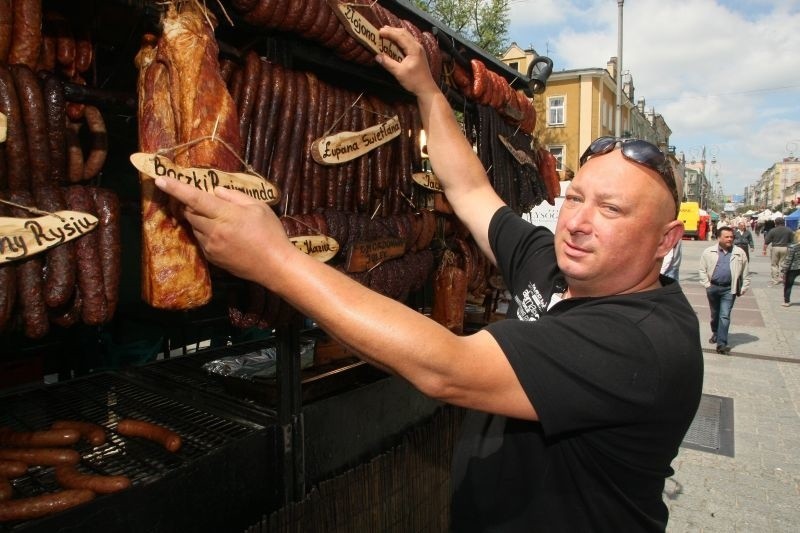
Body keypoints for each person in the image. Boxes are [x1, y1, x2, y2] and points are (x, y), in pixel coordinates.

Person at [155, 27, 703, 531]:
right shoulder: (554, 262)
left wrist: (274, 260)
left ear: (665, 241)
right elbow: (469, 191)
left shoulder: (642, 343)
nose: (578, 222)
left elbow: (447, 369)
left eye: (611, 210)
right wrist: (428, 90)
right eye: (575, 198)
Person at [699, 226, 751, 354]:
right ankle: (716, 333)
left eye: (731, 237)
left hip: (729, 289)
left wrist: (744, 287)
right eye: (726, 237)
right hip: (713, 287)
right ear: (719, 238)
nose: (730, 239)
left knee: (725, 315)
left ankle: (722, 344)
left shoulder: (739, 252)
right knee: (715, 314)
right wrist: (707, 284)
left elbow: (745, 272)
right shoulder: (708, 252)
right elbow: (702, 270)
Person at [763, 217, 794, 284]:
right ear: (783, 222)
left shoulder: (772, 230)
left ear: (775, 223)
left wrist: (764, 250)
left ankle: (775, 280)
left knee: (774, 264)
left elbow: (766, 241)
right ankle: (783, 278)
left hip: (775, 248)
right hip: (785, 248)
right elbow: (792, 241)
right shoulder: (789, 230)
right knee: (784, 264)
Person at [780, 229, 800, 307]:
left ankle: (786, 301)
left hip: (793, 268)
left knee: (788, 284)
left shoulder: (793, 246)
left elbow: (788, 259)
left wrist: (784, 270)